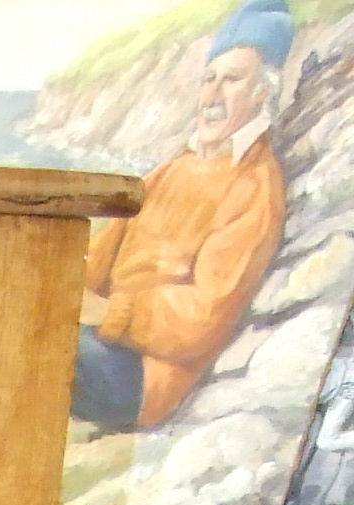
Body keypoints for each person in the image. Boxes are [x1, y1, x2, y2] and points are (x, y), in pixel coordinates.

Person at [72, 1, 291, 432]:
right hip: (103, 341)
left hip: (146, 376)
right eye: (209, 79)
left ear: (263, 92)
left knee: (33, 345)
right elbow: (99, 256)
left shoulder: (255, 189)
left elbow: (201, 320)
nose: (212, 94)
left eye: (231, 80)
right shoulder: (173, 169)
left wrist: (107, 312)